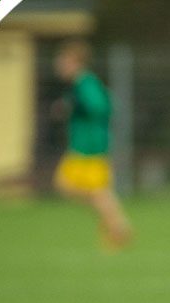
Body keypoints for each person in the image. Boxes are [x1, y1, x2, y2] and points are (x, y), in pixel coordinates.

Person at [52, 39, 133, 249]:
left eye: (63, 61)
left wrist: (75, 105)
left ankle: (117, 227)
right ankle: (114, 225)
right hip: (82, 146)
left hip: (90, 147)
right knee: (74, 187)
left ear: (75, 62)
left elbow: (102, 106)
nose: (59, 65)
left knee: (94, 191)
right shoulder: (79, 85)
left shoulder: (85, 83)